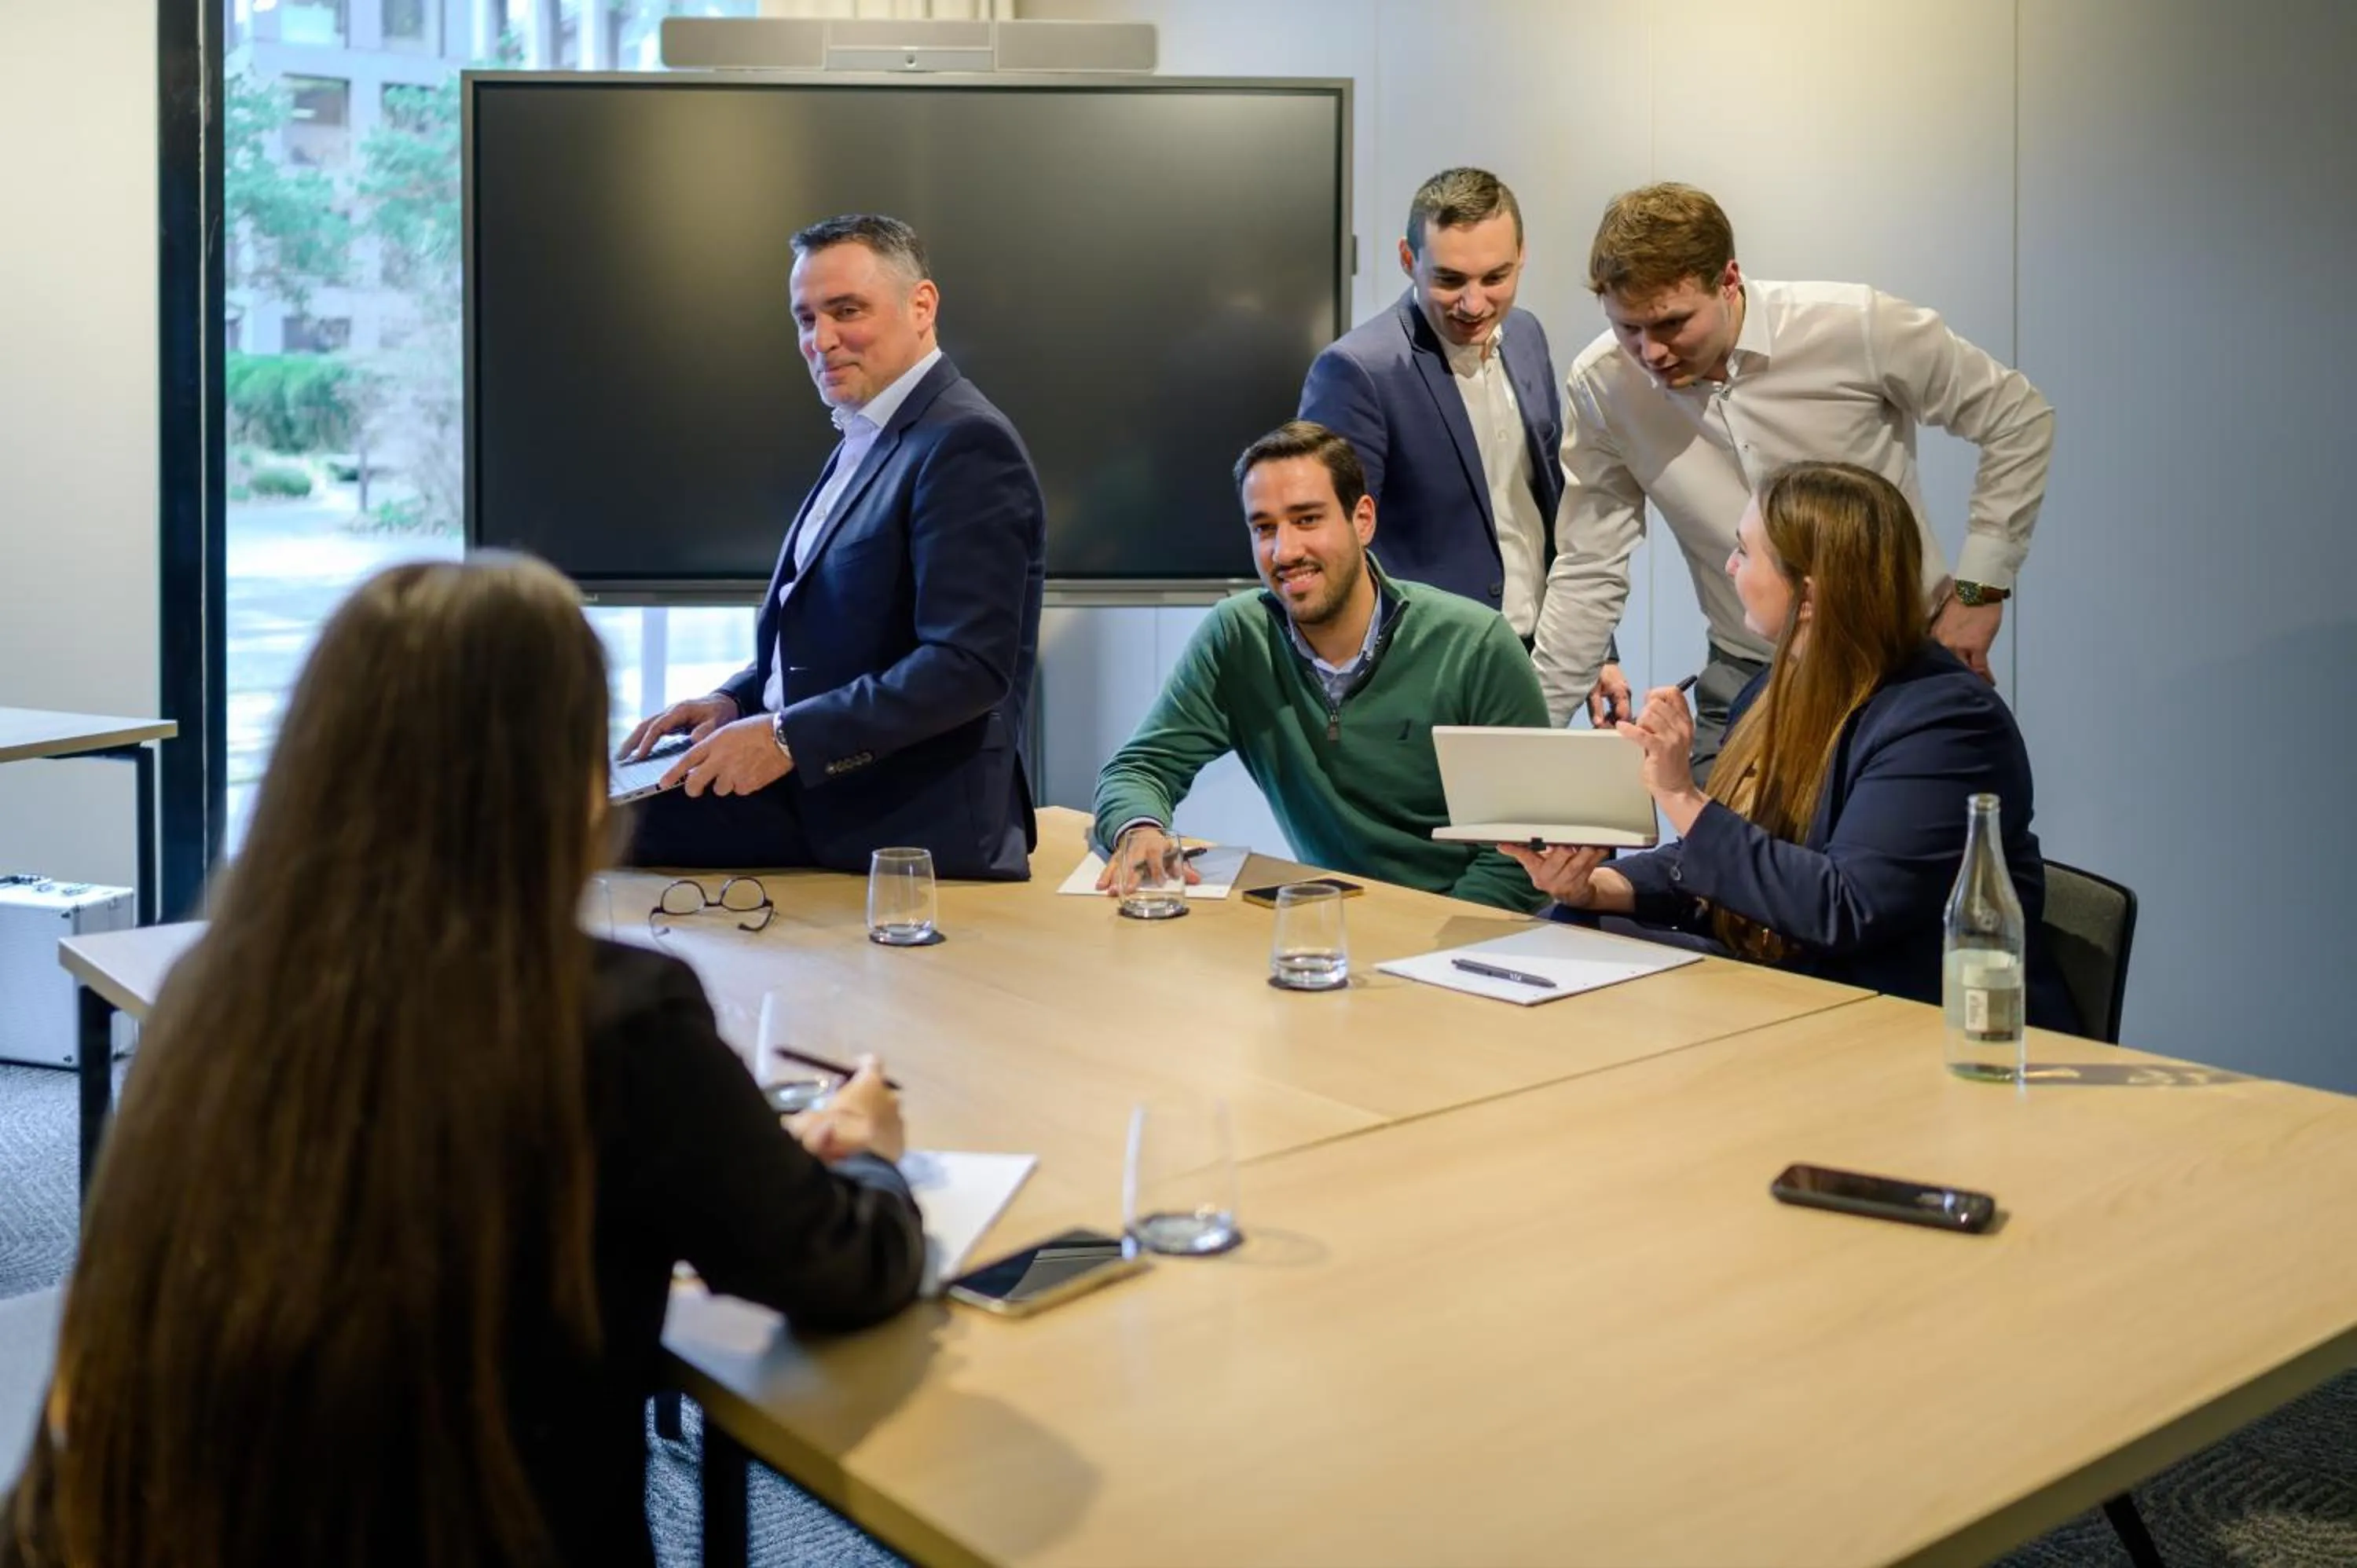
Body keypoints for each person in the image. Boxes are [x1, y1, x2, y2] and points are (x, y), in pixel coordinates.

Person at [3, 555, 925, 1568]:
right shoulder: (614, 1017)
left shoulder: (210, 992)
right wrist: (870, 1151)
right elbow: (841, 1268)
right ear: (568, 783)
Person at [1506, 461, 2074, 1028]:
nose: (1729, 567)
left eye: (1745, 552)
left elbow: (1844, 907)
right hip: (1805, 1002)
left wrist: (1681, 794)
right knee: (1573, 926)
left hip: (1918, 1028)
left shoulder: (1946, 723)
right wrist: (1598, 886)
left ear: (1809, 593)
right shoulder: (1772, 688)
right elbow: (1735, 861)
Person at [1534, 182, 2055, 773]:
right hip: (1748, 673)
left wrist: (1981, 590)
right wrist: (1530, 739)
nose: (1651, 352)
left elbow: (2017, 417)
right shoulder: (1602, 385)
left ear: (1728, 280)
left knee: (1894, 856)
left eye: (1673, 324)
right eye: (1629, 329)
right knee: (1712, 857)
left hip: (1897, 662)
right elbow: (1588, 567)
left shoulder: (1853, 326)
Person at [618, 212, 1047, 880]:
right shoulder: (871, 431)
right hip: (823, 793)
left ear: (922, 305)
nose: (822, 340)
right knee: (574, 796)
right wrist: (737, 701)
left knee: (571, 822)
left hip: (897, 823)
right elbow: (841, 640)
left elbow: (967, 666)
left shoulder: (966, 444)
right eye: (805, 318)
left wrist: (784, 738)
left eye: (847, 310)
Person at [1095, 420, 1548, 914]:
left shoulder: (1477, 645)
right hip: (1338, 925)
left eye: (1307, 519)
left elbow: (1522, 854)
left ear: (1363, 520)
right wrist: (1139, 831)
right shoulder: (1237, 635)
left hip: (1466, 936)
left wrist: (1421, 949)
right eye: (1264, 528)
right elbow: (1139, 768)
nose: (1284, 551)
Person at [1298, 167, 1565, 640]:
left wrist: (1597, 651)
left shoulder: (1527, 336)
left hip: (1539, 654)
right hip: (1427, 659)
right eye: (1449, 279)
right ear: (1408, 258)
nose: (1474, 303)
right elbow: (1329, 545)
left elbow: (1550, 507)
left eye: (1495, 277)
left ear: (1521, 255)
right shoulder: (1357, 371)